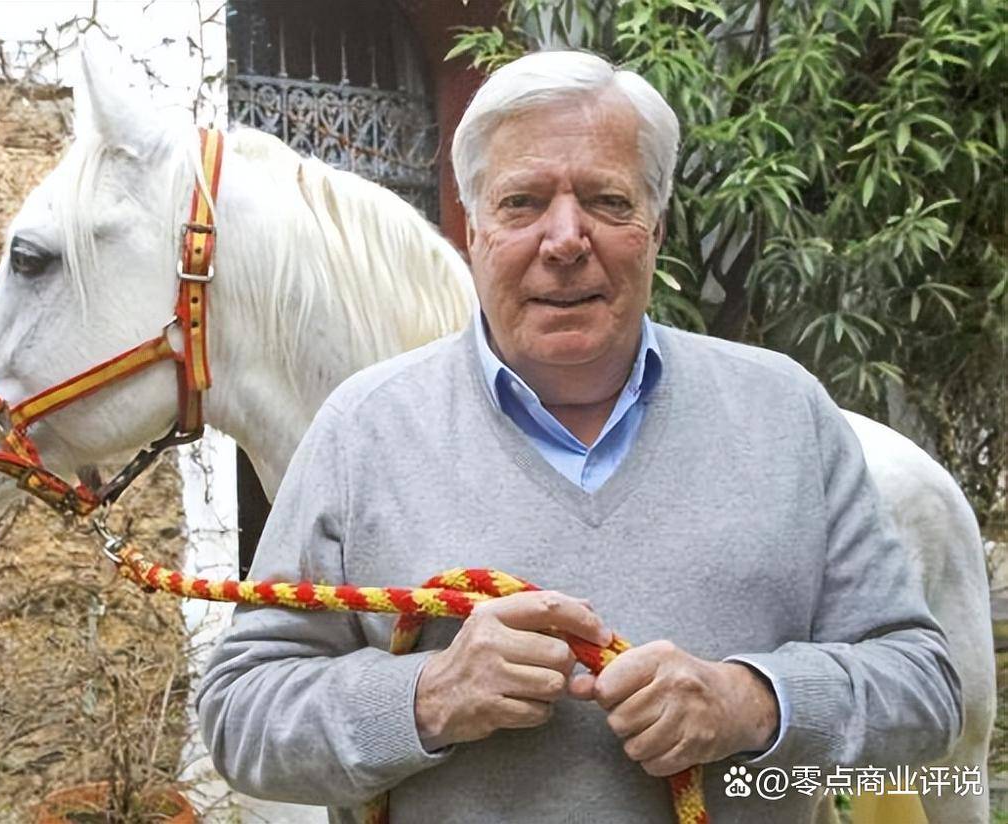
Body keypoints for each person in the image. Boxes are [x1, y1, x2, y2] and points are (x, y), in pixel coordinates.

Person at [196, 50, 962, 822]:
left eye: (607, 200)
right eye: (522, 202)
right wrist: (429, 696)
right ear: (474, 229)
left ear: (656, 227)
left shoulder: (786, 415)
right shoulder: (362, 430)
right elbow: (240, 717)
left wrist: (750, 702)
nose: (565, 239)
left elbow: (924, 689)